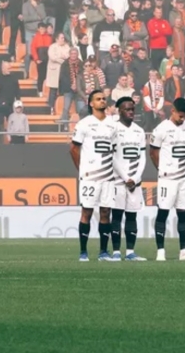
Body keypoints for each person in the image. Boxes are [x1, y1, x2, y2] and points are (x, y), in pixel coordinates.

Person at [69, 90, 117, 262]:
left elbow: (115, 150)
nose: (102, 101)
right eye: (98, 99)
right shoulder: (84, 124)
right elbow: (73, 148)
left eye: (104, 99)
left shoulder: (113, 124)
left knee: (105, 212)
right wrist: (82, 169)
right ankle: (83, 252)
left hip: (108, 176)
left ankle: (104, 252)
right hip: (90, 176)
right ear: (91, 103)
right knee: (87, 212)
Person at [149, 97, 185, 261]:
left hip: (184, 178)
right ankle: (160, 252)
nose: (182, 119)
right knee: (163, 213)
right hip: (167, 179)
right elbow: (153, 152)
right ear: (173, 111)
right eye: (180, 116)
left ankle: (184, 251)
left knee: (184, 213)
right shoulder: (161, 128)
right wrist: (162, 169)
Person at [108, 97, 147, 261]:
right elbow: (112, 156)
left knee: (132, 216)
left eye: (132, 109)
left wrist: (136, 178)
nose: (131, 112)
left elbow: (142, 157)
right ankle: (116, 252)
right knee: (116, 215)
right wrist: (125, 177)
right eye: (127, 109)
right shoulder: (113, 129)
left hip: (134, 182)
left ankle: (130, 251)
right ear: (119, 111)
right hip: (118, 180)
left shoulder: (139, 131)